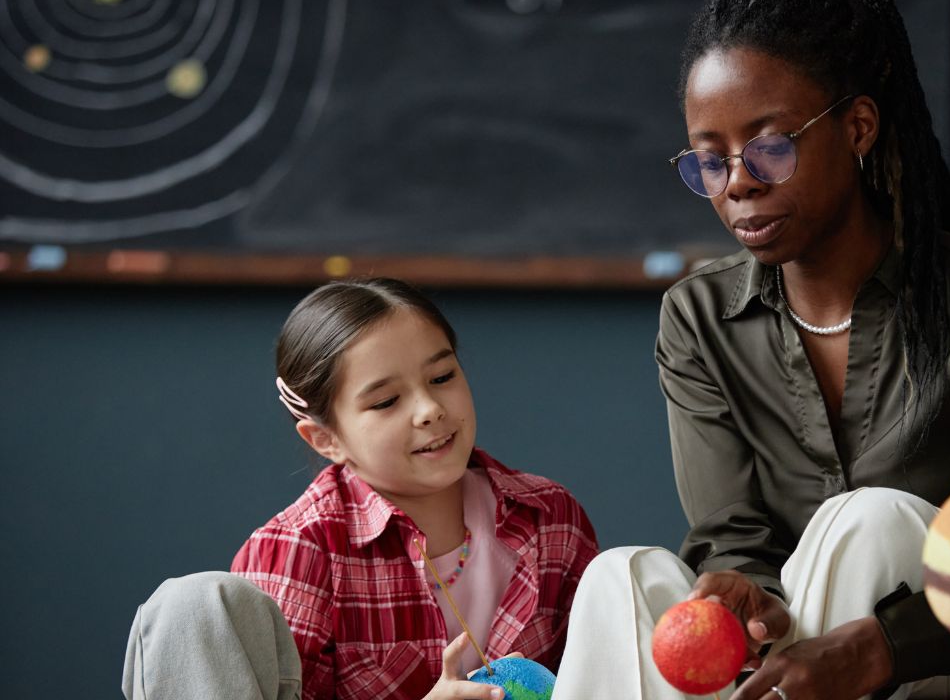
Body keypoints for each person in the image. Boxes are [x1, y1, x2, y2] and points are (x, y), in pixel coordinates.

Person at [551, 0, 950, 699]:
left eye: (768, 148)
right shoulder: (699, 319)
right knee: (621, 577)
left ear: (858, 127)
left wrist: (879, 647)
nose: (737, 185)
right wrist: (750, 599)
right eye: (710, 160)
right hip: (793, 660)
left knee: (868, 520)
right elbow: (732, 534)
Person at [123, 278, 599, 700]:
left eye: (442, 376)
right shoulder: (296, 551)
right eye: (386, 401)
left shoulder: (550, 516)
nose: (429, 408)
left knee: (631, 568)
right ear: (325, 439)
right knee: (196, 603)